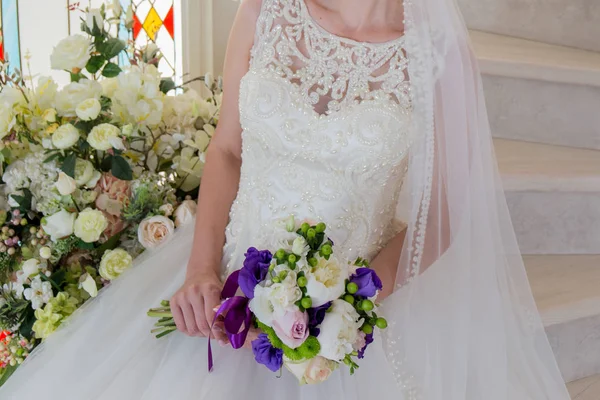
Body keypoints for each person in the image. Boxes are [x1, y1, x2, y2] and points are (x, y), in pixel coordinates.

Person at [0, 0, 572, 399]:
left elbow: (446, 206)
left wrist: (352, 301)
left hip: (353, 309)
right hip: (227, 283)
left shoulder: (437, 53)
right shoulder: (265, 10)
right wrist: (201, 269)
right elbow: (226, 149)